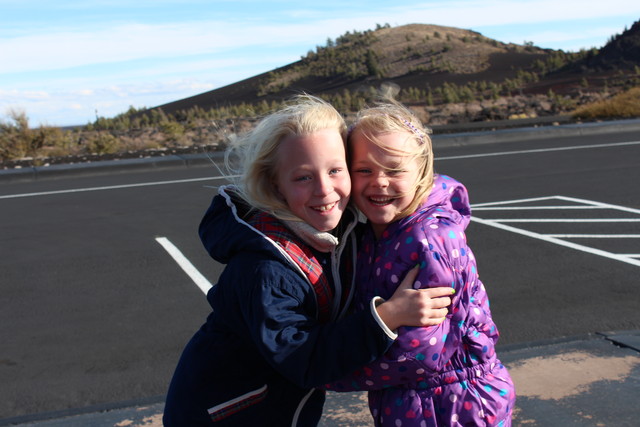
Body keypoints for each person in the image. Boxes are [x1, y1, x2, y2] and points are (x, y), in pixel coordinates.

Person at [163, 95, 454, 426]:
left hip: (272, 405)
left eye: (335, 170)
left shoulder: (334, 230)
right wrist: (387, 316)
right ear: (276, 185)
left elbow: (408, 183)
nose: (324, 189)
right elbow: (302, 358)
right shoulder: (265, 270)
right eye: (303, 177)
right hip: (221, 413)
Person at [325, 100, 516, 426]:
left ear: (421, 172)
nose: (380, 181)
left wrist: (325, 374)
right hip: (410, 399)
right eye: (364, 170)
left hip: (454, 404)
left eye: (395, 169)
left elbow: (418, 356)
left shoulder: (431, 238)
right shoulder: (374, 231)